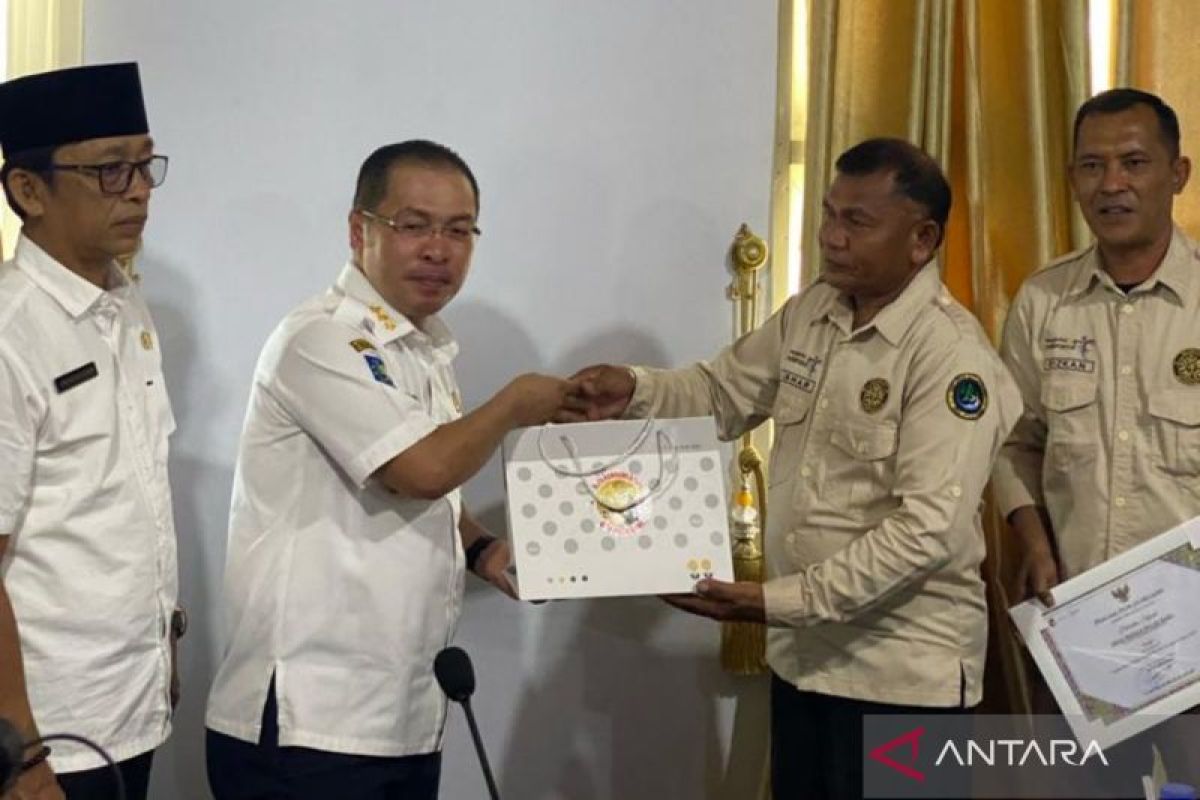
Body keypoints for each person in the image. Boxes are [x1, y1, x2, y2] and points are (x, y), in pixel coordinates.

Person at [562, 138, 1021, 799]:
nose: (831, 238)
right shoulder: (815, 311)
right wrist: (632, 390)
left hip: (902, 677)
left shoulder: (951, 358)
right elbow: (723, 393)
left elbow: (928, 530)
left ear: (921, 240)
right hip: (807, 664)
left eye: (856, 222)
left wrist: (775, 601)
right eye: (828, 215)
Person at [204, 139, 574, 800]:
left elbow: (431, 494)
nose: (438, 248)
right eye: (414, 225)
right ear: (359, 230)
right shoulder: (320, 339)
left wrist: (483, 548)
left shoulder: (422, 349)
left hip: (401, 717)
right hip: (309, 725)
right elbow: (421, 470)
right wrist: (517, 402)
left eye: (459, 230)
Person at [995, 88, 1198, 780]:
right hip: (1086, 627)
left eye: (1135, 162)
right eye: (1091, 166)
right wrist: (1032, 539)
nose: (1111, 184)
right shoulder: (1043, 301)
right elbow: (1012, 441)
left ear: (1178, 174)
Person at [0, 63, 180, 800]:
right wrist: (20, 750)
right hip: (51, 730)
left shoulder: (124, 302)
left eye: (144, 163)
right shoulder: (13, 333)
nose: (137, 188)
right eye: (110, 169)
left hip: (130, 706)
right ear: (28, 191)